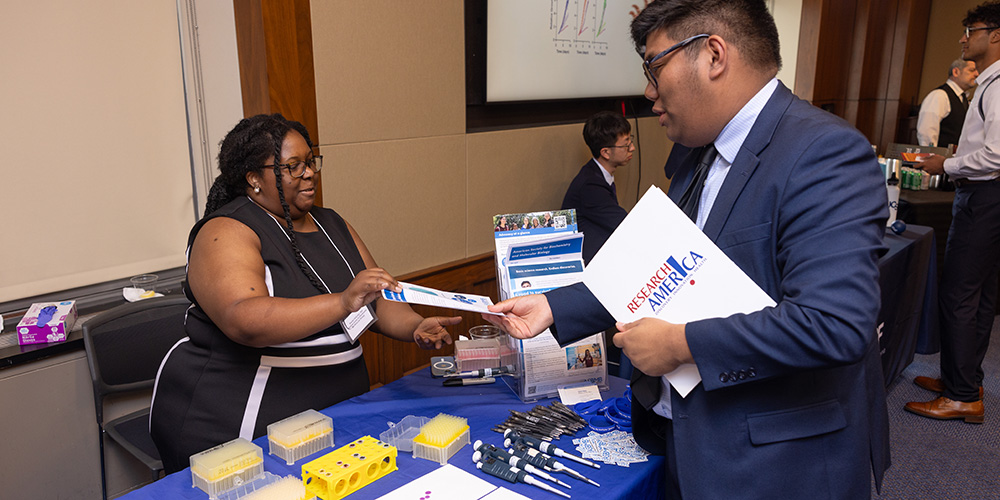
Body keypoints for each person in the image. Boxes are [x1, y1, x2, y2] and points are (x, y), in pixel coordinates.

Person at [486, 1, 890, 498]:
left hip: (774, 464)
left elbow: (835, 324)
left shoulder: (823, 152)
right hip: (688, 441)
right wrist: (553, 305)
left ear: (713, 56)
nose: (648, 92)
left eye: (654, 66)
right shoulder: (700, 156)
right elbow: (652, 266)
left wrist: (680, 344)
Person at [149, 114, 460, 472]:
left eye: (310, 162)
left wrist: (415, 327)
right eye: (293, 166)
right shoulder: (225, 230)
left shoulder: (332, 223)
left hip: (336, 412)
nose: (309, 173)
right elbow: (244, 319)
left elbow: (375, 296)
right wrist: (342, 302)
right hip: (245, 422)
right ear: (253, 178)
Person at [908, 1, 1000, 424]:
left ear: (995, 34)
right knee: (979, 296)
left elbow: (996, 156)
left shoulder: (998, 84)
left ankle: (962, 394)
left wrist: (944, 164)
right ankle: (964, 380)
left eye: (971, 28)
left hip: (986, 196)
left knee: (960, 293)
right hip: (988, 196)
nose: (964, 37)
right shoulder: (989, 81)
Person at [561, 111, 633, 264]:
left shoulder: (595, 175)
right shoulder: (590, 185)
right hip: (589, 268)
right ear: (606, 152)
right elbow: (625, 224)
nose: (632, 148)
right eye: (626, 144)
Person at [916, 58, 979, 148]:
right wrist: (930, 155)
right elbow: (927, 131)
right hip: (938, 158)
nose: (977, 74)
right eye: (972, 70)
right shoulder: (939, 95)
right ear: (956, 72)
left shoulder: (963, 99)